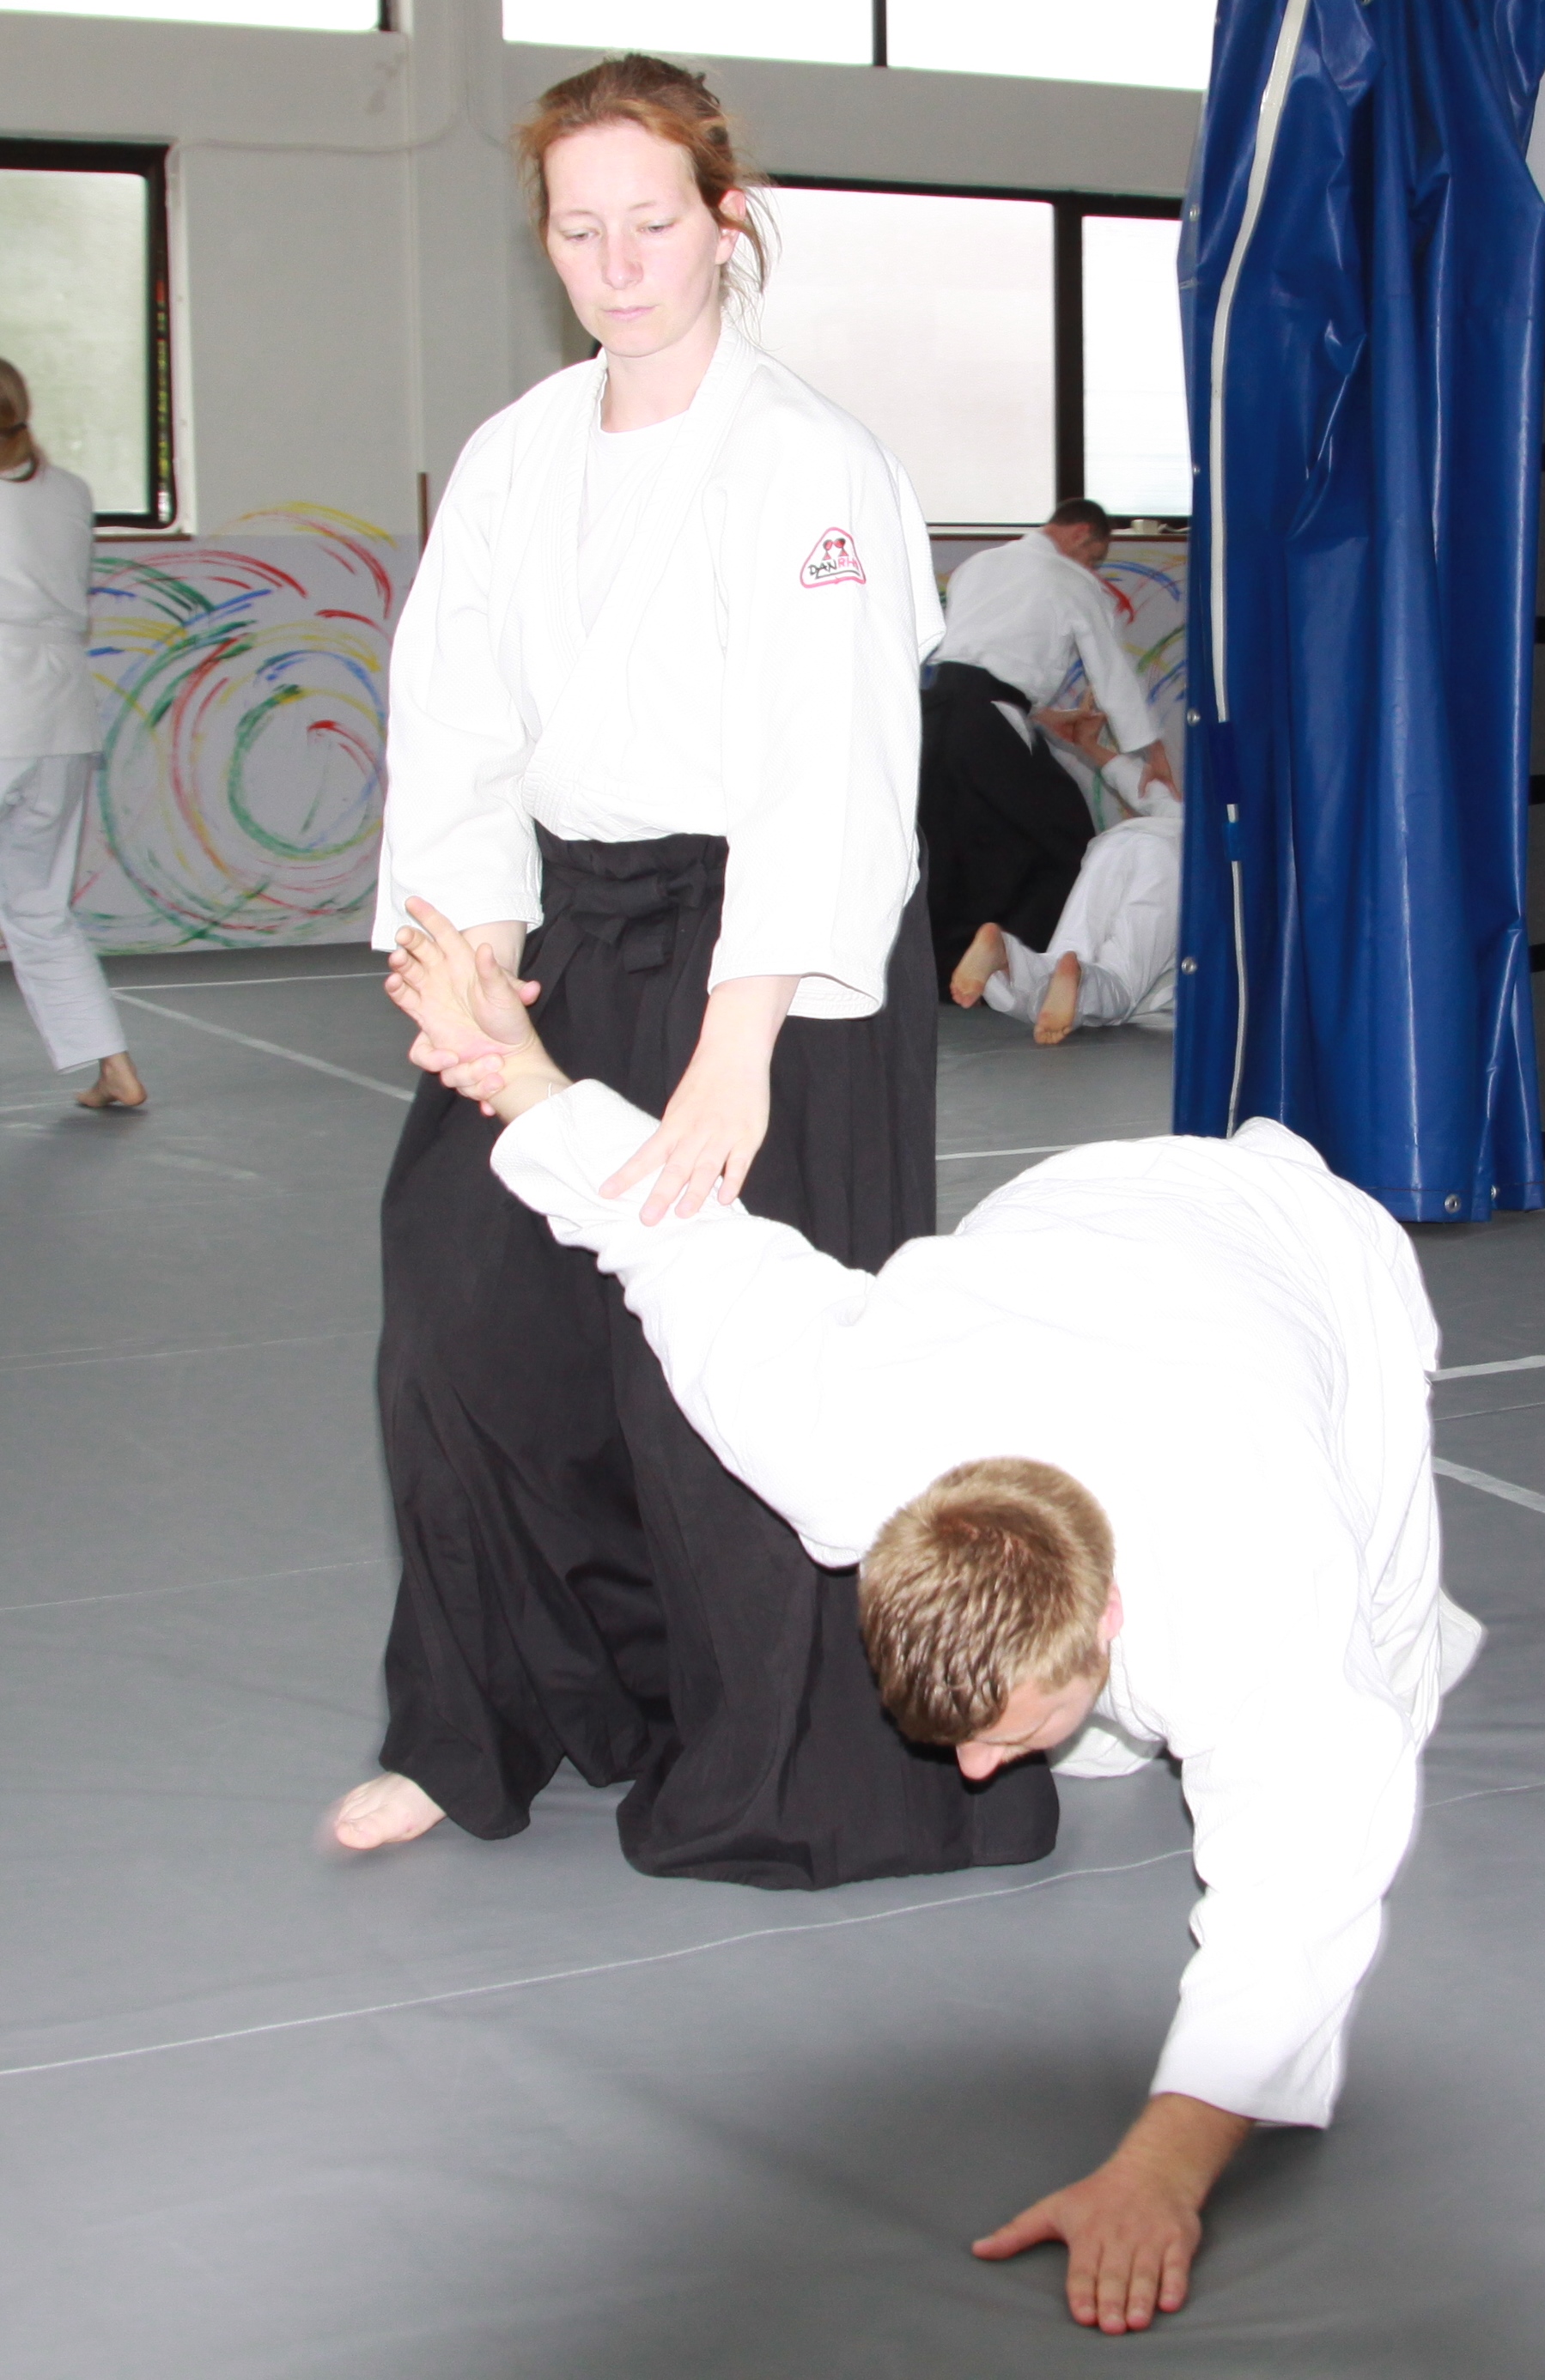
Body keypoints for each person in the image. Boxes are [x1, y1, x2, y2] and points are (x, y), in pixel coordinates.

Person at [382, 902, 1481, 2338]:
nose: (965, 1773)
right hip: (1074, 1216)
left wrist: (1158, 2171)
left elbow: (1288, 1906)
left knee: (1373, 1704)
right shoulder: (840, 1440)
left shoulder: (1254, 1565)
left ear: (1108, 1612)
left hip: (1307, 1262)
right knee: (1120, 1737)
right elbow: (674, 1234)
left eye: (995, 1736)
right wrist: (514, 1065)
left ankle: (1338, 1682)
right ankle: (1100, 1721)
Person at [331, 55, 1055, 1885]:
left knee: (746, 1366)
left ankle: (793, 1751)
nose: (616, 263)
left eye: (650, 222)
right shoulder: (516, 455)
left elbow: (825, 776)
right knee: (461, 1318)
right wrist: (471, 958)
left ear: (725, 222)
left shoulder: (806, 460)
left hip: (775, 964)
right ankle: (485, 1719)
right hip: (569, 930)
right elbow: (457, 725)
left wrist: (736, 1052)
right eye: (578, 230)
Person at [919, 500, 1177, 990]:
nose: (1092, 569)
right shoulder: (1070, 579)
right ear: (1082, 535)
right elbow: (1110, 670)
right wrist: (1152, 751)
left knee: (952, 840)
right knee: (1065, 837)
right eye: (1094, 558)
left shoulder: (979, 565)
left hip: (934, 716)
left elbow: (978, 659)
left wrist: (1040, 715)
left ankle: (947, 969)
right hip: (987, 719)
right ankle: (1037, 968)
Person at [0, 361, 146, 1112]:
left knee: (37, 909)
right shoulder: (71, 492)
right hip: (58, 718)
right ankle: (113, 1068)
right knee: (40, 909)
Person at [951, 707, 1183, 1044]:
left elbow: (1146, 789)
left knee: (1067, 955)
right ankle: (1076, 980)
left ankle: (1005, 956)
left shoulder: (1202, 813)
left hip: (1120, 844)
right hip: (1170, 861)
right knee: (1122, 981)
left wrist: (1089, 744)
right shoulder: (1243, 853)